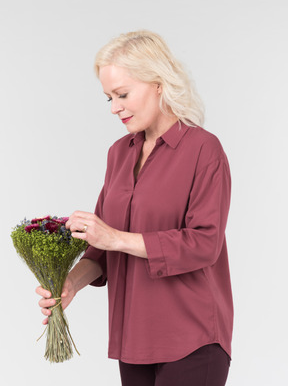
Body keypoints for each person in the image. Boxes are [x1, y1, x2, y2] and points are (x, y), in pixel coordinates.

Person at [37, 30, 233, 386]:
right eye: (109, 97)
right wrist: (70, 285)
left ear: (158, 83)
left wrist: (116, 238)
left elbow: (205, 244)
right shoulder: (119, 153)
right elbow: (100, 251)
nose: (114, 107)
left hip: (192, 337)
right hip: (133, 341)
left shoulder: (204, 150)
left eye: (123, 94)